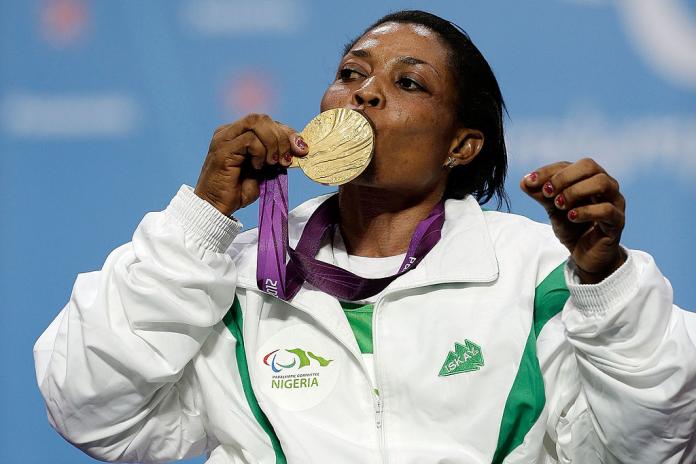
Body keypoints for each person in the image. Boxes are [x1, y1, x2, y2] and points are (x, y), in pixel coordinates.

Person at [34, 10, 696, 464]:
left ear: (462, 145)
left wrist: (606, 286)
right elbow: (89, 407)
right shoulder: (232, 276)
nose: (364, 95)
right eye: (351, 74)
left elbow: (650, 445)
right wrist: (201, 218)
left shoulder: (540, 278)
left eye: (406, 83)